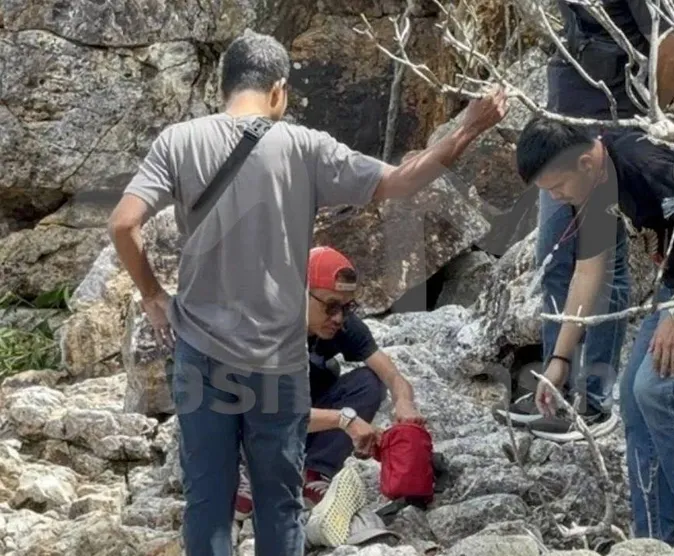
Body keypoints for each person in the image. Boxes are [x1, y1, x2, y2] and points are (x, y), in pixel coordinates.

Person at [107, 29, 508, 556]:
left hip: (201, 356)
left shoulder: (178, 141)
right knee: (280, 502)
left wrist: (154, 295)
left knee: (208, 500)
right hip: (276, 362)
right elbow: (404, 181)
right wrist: (469, 127)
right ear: (278, 90)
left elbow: (122, 225)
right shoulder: (304, 147)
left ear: (226, 87)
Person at [515, 117, 674, 545]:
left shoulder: (646, 162)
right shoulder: (592, 178)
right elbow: (588, 269)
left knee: (654, 390)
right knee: (632, 401)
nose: (556, 198)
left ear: (584, 162)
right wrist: (559, 360)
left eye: (556, 187)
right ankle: (652, 540)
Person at [500, 1, 674, 433]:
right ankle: (557, 393)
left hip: (603, 138)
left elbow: (673, 40)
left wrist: (649, 119)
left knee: (603, 269)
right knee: (557, 262)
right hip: (564, 133)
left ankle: (594, 402)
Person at [233, 245, 423, 519]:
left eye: (347, 307)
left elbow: (391, 374)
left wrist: (404, 402)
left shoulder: (340, 323)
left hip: (299, 416)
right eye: (331, 306)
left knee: (368, 382)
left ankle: (315, 472)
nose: (338, 318)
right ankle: (245, 471)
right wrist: (344, 420)